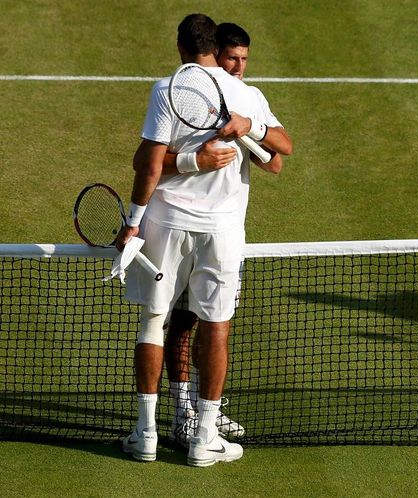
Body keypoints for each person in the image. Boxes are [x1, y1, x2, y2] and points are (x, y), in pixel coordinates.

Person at [117, 13, 273, 467]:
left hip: (165, 223)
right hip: (224, 230)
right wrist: (200, 155)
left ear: (181, 47)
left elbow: (145, 165)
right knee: (216, 324)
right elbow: (279, 157)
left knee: (154, 320)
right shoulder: (244, 92)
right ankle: (204, 439)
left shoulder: (168, 89)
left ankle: (145, 435)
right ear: (215, 48)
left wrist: (132, 222)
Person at [161, 22, 293, 447]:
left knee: (213, 323)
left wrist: (249, 128)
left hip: (225, 233)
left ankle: (205, 411)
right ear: (214, 55)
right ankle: (182, 410)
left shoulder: (248, 98)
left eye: (244, 60)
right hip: (181, 228)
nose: (238, 67)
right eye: (232, 58)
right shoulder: (185, 94)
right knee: (181, 323)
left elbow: (277, 159)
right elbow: (148, 161)